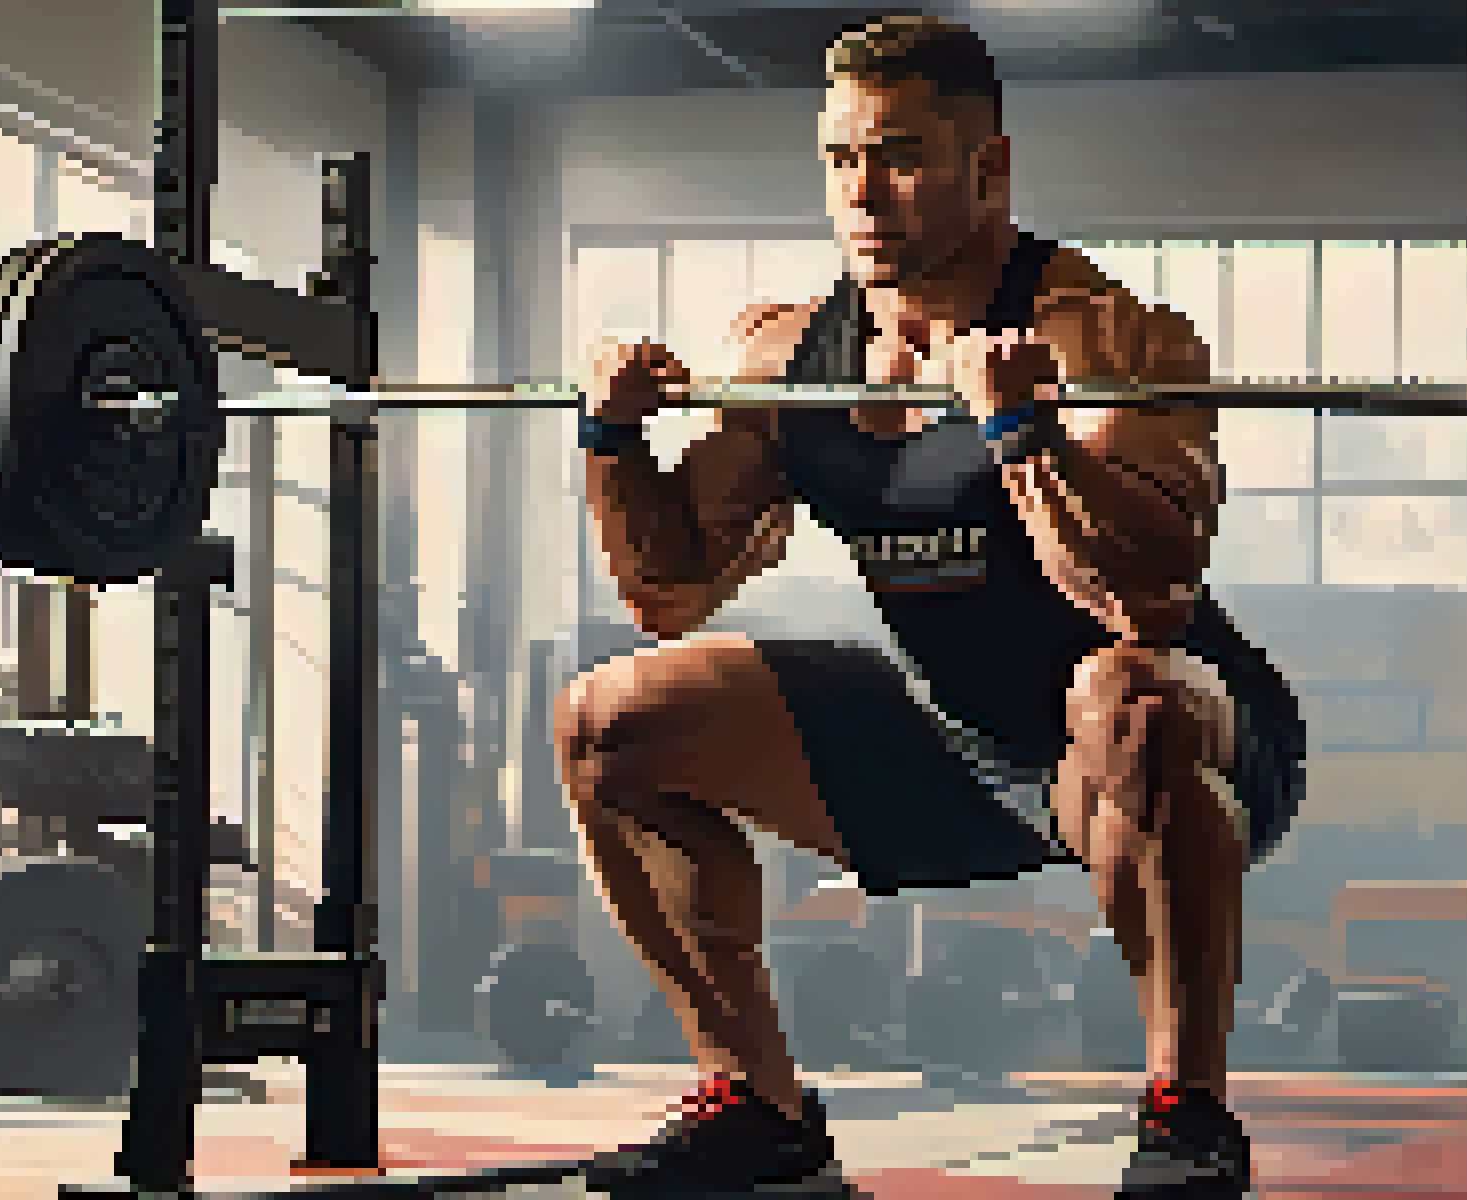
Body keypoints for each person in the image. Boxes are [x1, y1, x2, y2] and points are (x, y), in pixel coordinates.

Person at [558, 13, 1303, 1199]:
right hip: (957, 740)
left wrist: (1023, 433)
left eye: (901, 156)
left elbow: (1147, 599)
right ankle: (761, 1111)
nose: (865, 193)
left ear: (988, 168)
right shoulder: (791, 351)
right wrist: (612, 438)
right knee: (610, 721)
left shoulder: (1101, 332)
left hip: (1166, 745)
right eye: (843, 161)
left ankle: (1188, 1121)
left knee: (1130, 698)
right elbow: (669, 590)